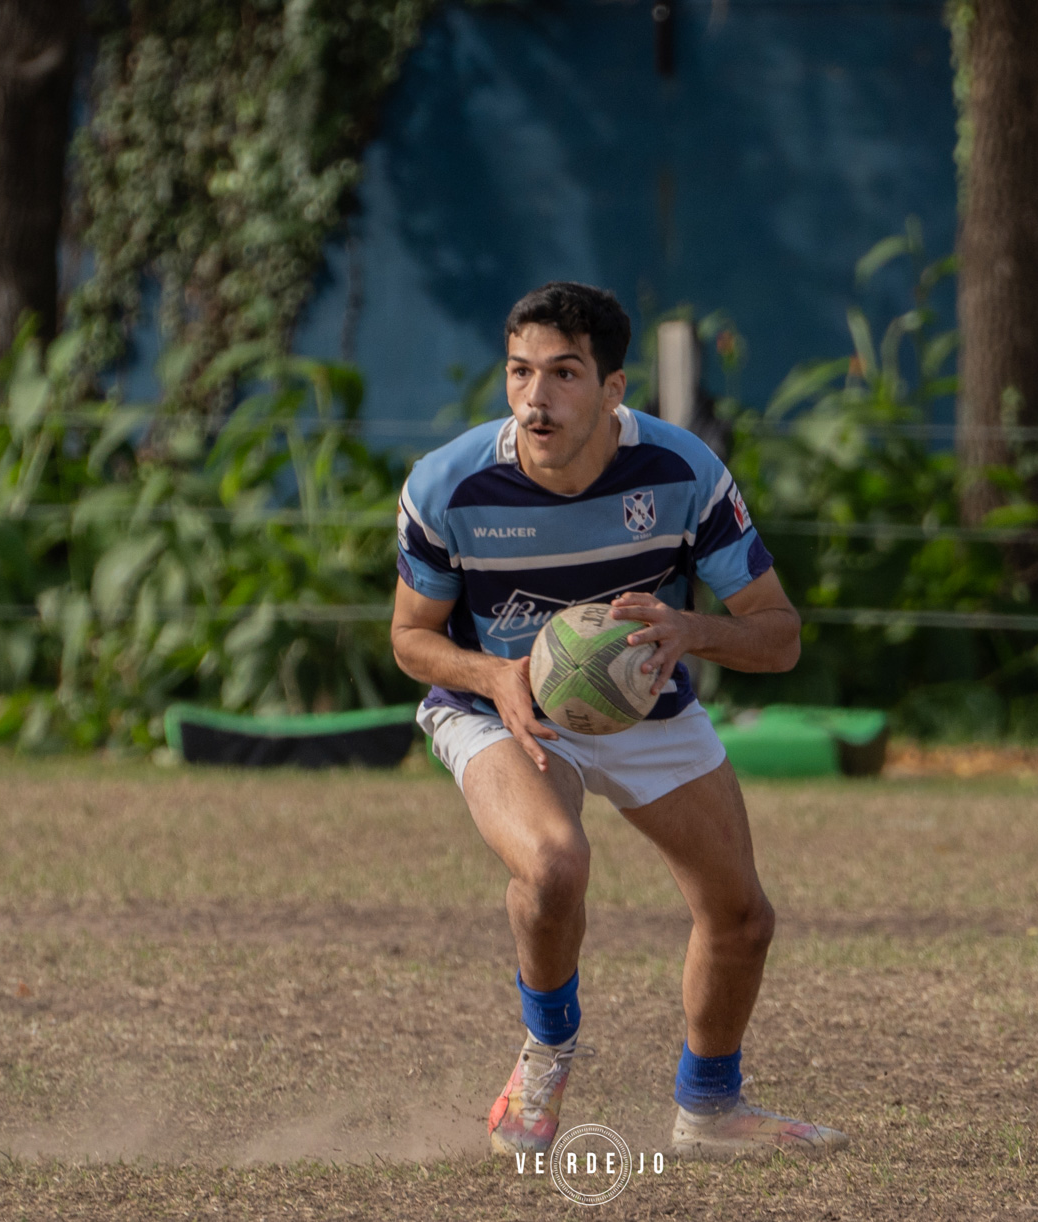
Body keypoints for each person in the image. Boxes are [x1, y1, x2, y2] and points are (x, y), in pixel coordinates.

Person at [390, 281, 848, 1161]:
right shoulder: (447, 486)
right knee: (557, 864)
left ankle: (710, 1110)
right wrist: (496, 673)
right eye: (521, 372)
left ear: (612, 391)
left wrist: (691, 630)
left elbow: (780, 635)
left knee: (741, 915)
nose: (535, 398)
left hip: (646, 702)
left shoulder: (682, 475)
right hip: (501, 706)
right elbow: (411, 641)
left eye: (564, 374)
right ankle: (545, 1056)